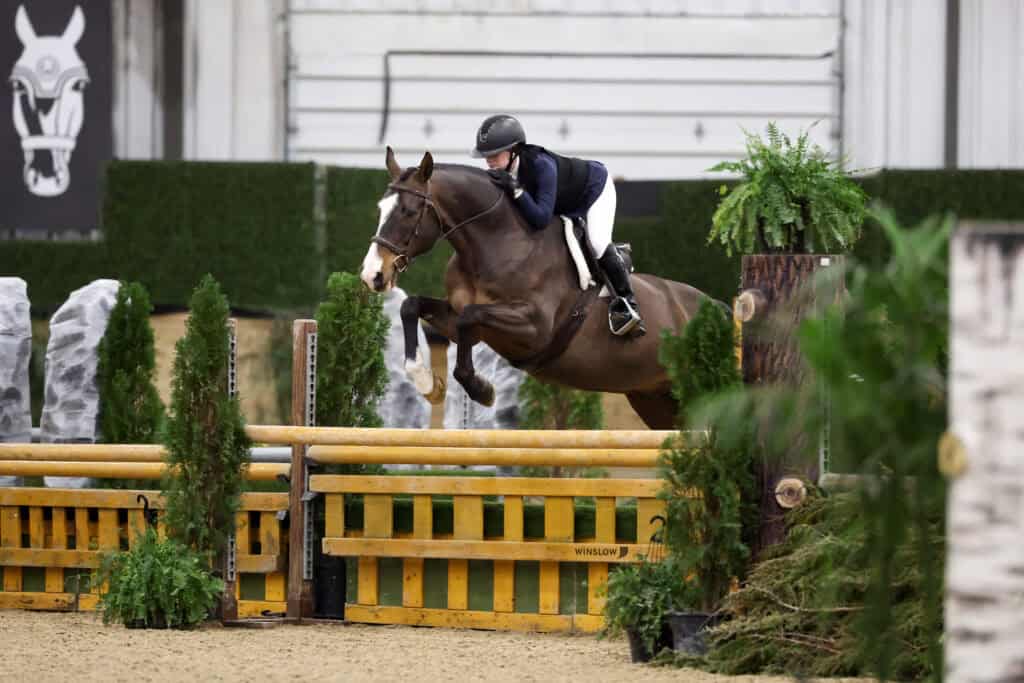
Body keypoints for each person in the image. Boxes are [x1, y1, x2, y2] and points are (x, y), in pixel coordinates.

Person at [470, 114, 645, 337]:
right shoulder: (504, 173)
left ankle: (627, 303)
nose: (488, 160)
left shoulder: (542, 166)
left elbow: (542, 218)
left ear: (514, 149)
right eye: (485, 155)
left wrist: (516, 190)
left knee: (599, 242)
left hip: (594, 190)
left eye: (493, 154)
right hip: (564, 201)